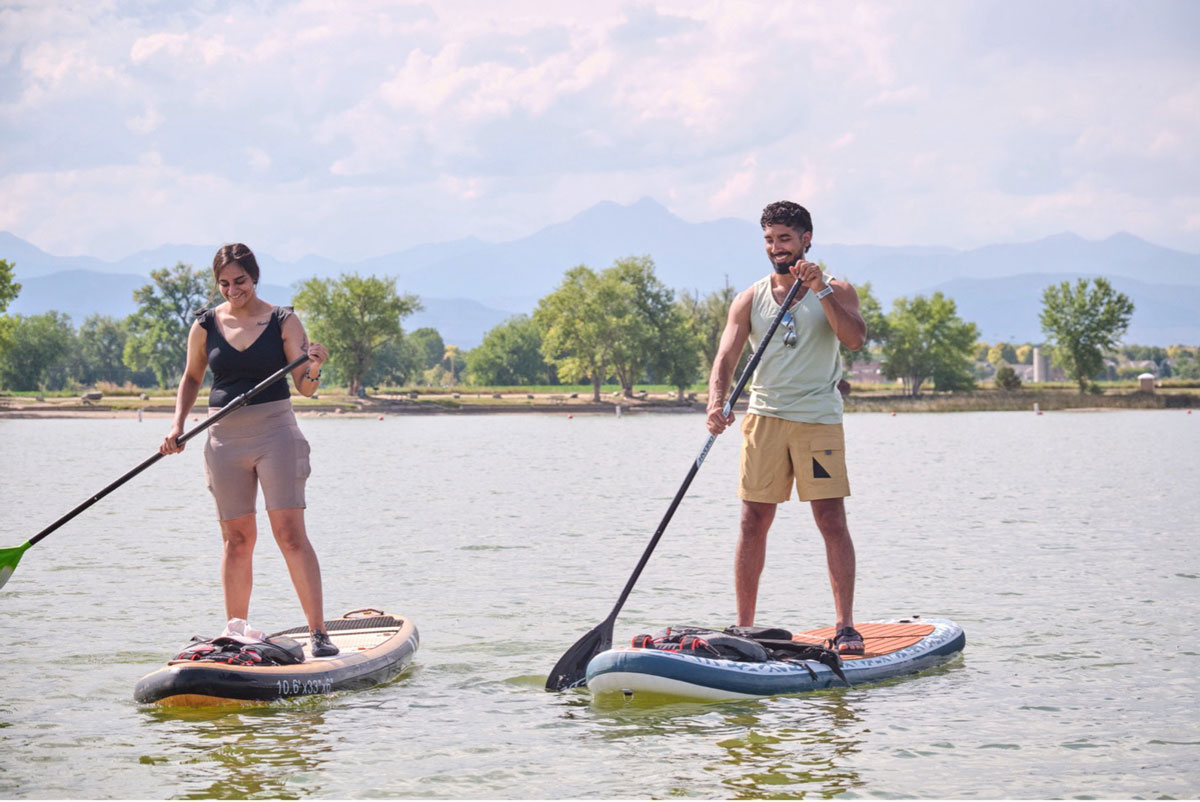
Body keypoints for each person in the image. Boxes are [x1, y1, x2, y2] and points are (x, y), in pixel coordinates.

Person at [160, 243, 339, 657]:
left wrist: (313, 364)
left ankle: (318, 633)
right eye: (223, 283)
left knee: (290, 535)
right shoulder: (205, 325)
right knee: (236, 540)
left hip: (276, 433)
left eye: (239, 280)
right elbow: (191, 378)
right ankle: (236, 632)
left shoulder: (283, 319)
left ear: (254, 277)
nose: (232, 290)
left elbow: (307, 389)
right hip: (223, 439)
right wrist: (177, 426)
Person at [706, 201, 868, 655]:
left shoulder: (837, 289)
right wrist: (716, 403)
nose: (776, 247)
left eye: (785, 239)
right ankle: (743, 628)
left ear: (807, 240)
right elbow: (725, 358)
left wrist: (820, 292)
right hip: (763, 420)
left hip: (817, 420)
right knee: (752, 520)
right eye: (770, 239)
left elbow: (854, 338)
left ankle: (846, 625)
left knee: (830, 518)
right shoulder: (750, 297)